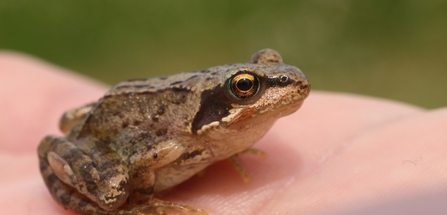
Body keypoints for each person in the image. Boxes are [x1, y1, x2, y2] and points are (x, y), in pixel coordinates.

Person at [1, 50, 446, 215]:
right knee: (115, 192)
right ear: (227, 96)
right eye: (247, 89)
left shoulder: (222, 129)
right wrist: (146, 204)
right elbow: (140, 161)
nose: (281, 87)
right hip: (108, 136)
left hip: (115, 106)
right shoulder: (175, 141)